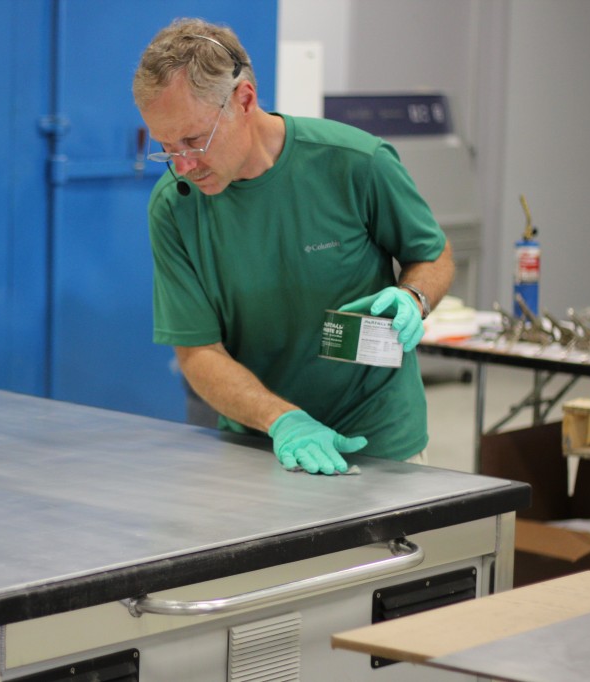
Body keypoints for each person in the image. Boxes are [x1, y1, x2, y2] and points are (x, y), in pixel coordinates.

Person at [132, 18, 454, 475]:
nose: (182, 166)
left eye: (193, 140)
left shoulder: (355, 164)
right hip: (260, 445)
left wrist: (414, 297)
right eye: (165, 148)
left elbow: (432, 253)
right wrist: (282, 419)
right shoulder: (174, 208)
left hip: (380, 445)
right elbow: (198, 351)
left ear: (244, 99)